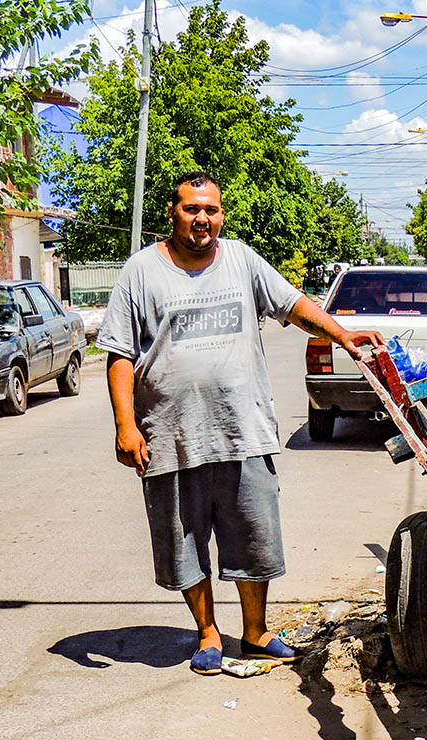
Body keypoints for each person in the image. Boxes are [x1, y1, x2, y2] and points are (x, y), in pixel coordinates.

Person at [98, 171, 385, 675]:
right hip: (170, 434)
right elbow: (119, 354)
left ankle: (255, 632)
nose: (202, 219)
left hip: (241, 428)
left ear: (221, 214)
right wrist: (126, 425)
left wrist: (342, 335)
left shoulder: (242, 259)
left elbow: (292, 304)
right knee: (183, 542)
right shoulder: (140, 271)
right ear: (173, 212)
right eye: (192, 209)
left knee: (253, 535)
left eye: (211, 209)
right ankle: (207, 634)